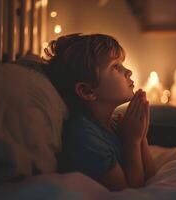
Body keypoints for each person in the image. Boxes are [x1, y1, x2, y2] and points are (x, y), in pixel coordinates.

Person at [42, 33, 156, 191]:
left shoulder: (116, 123)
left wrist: (141, 136)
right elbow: (128, 191)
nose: (128, 71)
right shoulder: (83, 135)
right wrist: (132, 142)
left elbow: (151, 177)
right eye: (115, 66)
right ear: (87, 91)